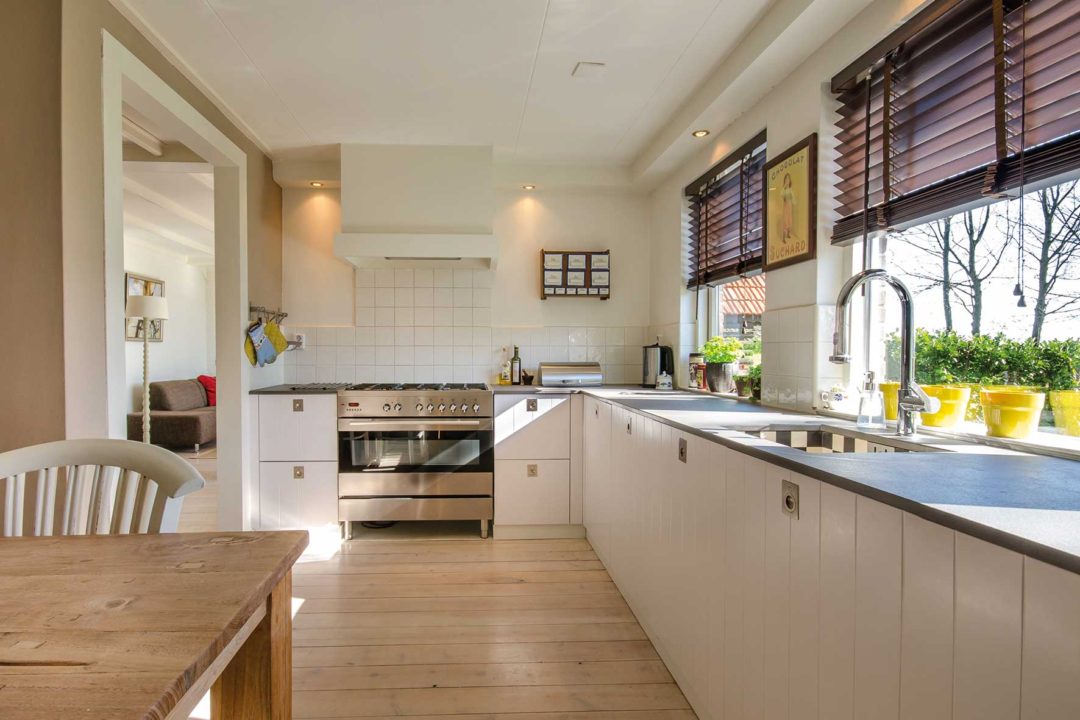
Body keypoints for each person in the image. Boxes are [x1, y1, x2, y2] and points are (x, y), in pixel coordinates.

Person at [781, 172, 795, 243]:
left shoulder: (790, 189)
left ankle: (788, 234)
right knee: (785, 221)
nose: (787, 180)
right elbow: (782, 194)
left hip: (790, 206)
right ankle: (783, 237)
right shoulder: (784, 189)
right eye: (786, 179)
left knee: (789, 220)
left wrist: (794, 203)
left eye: (788, 179)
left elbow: (793, 198)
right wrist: (784, 187)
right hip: (786, 206)